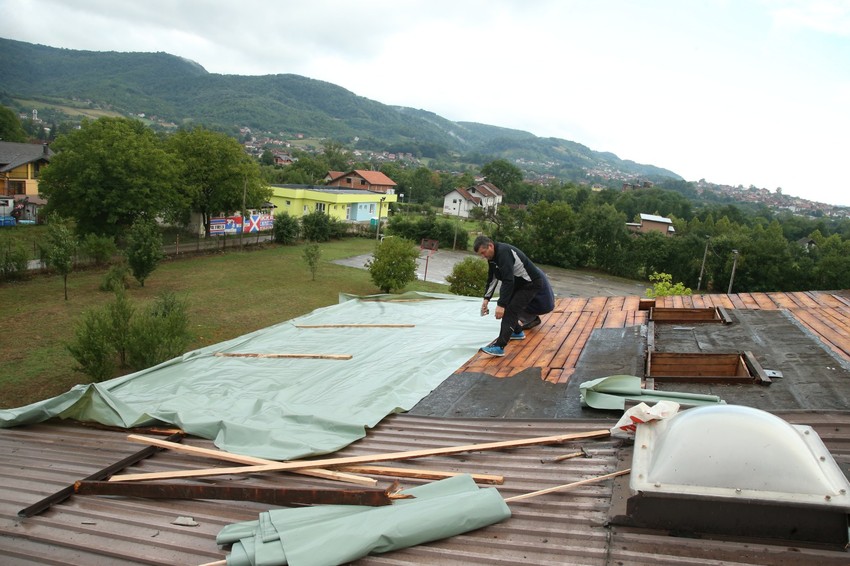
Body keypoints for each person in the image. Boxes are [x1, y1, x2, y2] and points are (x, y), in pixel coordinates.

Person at [474, 235, 555, 357]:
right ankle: (517, 332)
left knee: (510, 310)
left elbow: (508, 280)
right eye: (481, 254)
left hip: (531, 283)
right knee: (508, 307)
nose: (483, 256)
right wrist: (486, 299)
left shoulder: (503, 253)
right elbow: (492, 278)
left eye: (483, 252)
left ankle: (499, 347)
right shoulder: (492, 257)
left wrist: (501, 305)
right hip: (519, 283)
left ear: (490, 246)